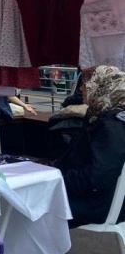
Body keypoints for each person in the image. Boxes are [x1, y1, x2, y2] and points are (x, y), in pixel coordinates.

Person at [54, 65, 125, 227]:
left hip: (98, 205)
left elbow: (99, 176)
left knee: (23, 204)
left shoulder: (112, 125)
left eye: (85, 85)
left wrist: (57, 179)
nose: (81, 89)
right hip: (109, 201)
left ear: (100, 87)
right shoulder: (112, 118)